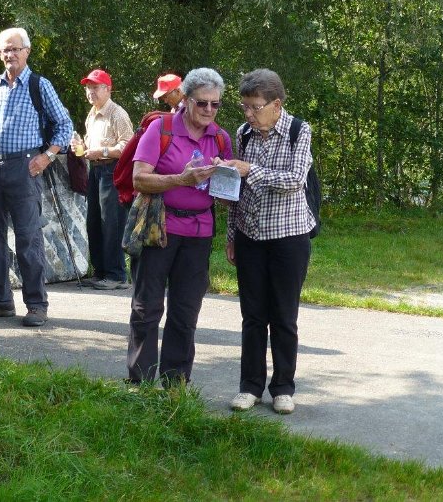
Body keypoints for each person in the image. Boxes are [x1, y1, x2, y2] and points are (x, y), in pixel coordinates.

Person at [127, 68, 233, 386]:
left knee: (186, 312)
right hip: (159, 229)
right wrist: (181, 179)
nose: (210, 111)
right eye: (203, 103)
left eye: (216, 105)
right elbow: (139, 178)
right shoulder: (162, 128)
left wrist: (229, 179)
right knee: (147, 307)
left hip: (199, 234)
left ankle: (175, 384)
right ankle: (140, 382)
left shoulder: (220, 138)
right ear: (185, 100)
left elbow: (227, 197)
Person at [221, 68, 315, 415]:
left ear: (276, 104)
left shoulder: (298, 130)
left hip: (289, 237)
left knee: (284, 315)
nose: (247, 113)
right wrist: (232, 235)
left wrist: (250, 170)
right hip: (250, 237)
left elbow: (293, 180)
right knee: (252, 316)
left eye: (254, 106)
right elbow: (235, 190)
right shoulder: (244, 133)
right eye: (244, 106)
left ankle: (283, 388)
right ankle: (250, 387)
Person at [0, 27, 73, 327]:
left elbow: (64, 125)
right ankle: (0, 301)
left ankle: (36, 305)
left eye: (15, 48)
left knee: (28, 238)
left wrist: (47, 156)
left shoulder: (40, 85)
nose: (9, 54)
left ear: (27, 51)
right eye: (5, 49)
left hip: (24, 167)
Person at [70, 69, 133, 290]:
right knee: (94, 222)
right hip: (95, 171)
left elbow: (127, 146)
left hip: (112, 170)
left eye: (95, 87)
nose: (91, 92)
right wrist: (80, 147)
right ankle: (100, 271)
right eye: (88, 87)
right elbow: (89, 147)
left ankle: (116, 275)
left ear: (108, 89)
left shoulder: (117, 114)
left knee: (112, 223)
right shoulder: (91, 114)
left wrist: (101, 152)